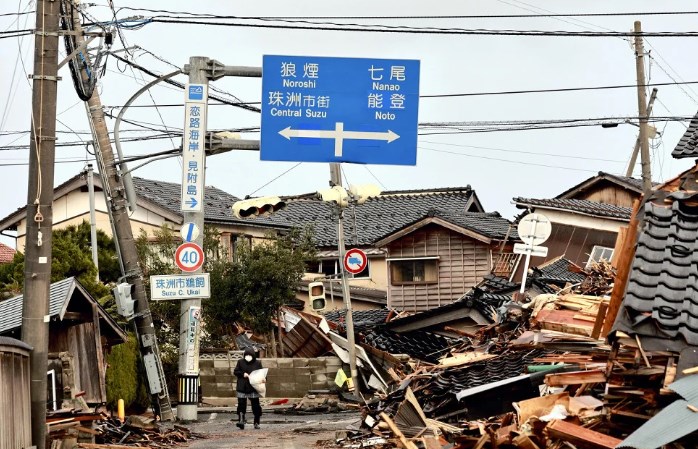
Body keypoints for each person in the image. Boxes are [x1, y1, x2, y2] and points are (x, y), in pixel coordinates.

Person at [233, 347, 263, 429]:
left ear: (253, 355)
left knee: (256, 405)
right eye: (247, 355)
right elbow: (236, 371)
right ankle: (241, 421)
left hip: (253, 387)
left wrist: (262, 379)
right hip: (242, 386)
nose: (248, 357)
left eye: (250, 355)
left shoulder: (257, 363)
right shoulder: (240, 362)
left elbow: (262, 374)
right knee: (241, 405)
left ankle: (257, 422)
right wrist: (243, 374)